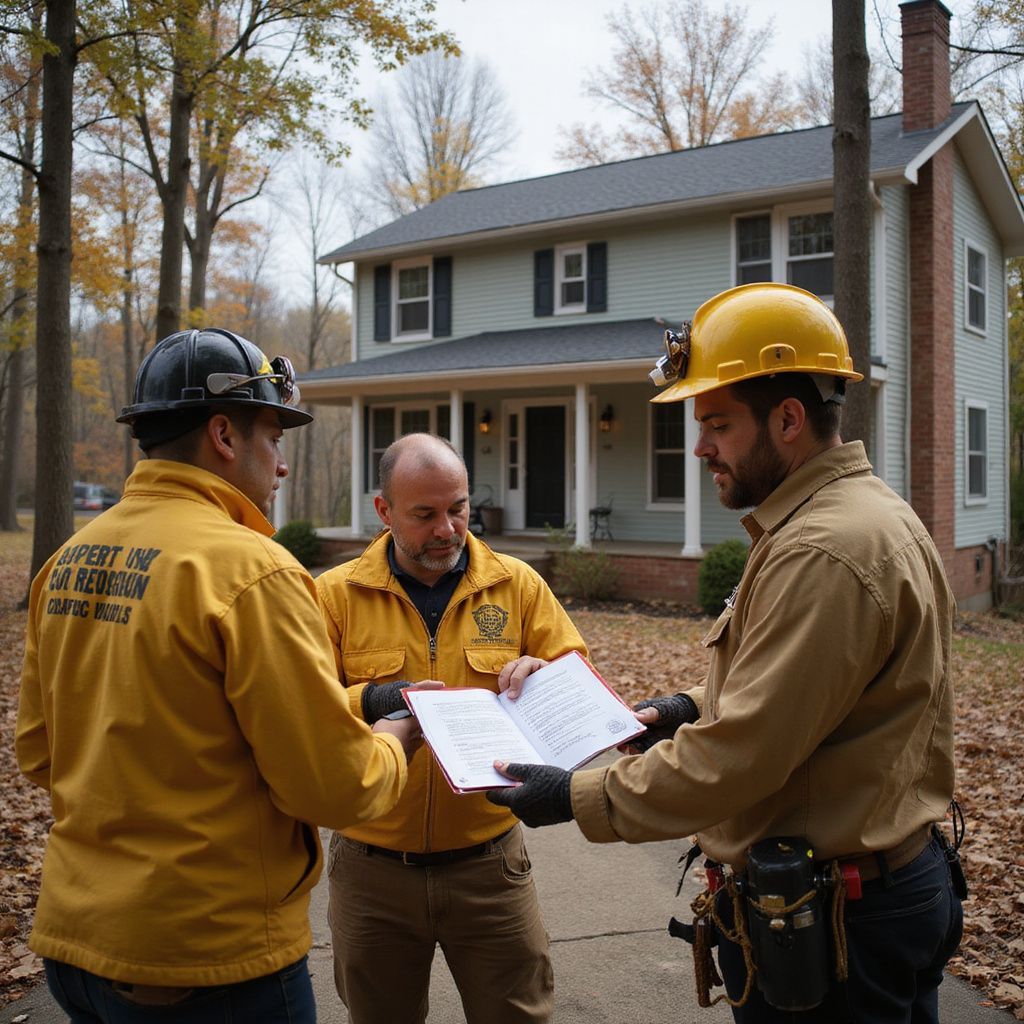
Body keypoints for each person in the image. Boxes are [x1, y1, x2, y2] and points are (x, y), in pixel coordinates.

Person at [488, 283, 964, 1024]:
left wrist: (573, 796)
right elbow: (804, 695)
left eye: (716, 423)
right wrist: (685, 710)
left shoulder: (824, 549)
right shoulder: (850, 519)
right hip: (866, 900)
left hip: (840, 924)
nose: (699, 445)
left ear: (788, 419)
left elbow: (745, 752)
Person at [16, 327, 420, 1023]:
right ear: (225, 435)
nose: (283, 465)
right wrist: (393, 741)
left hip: (74, 947)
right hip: (208, 961)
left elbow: (37, 751)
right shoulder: (252, 571)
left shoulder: (68, 560)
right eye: (276, 437)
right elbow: (332, 785)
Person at [315, 432, 587, 1024]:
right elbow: (300, 707)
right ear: (384, 511)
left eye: (459, 507)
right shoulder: (333, 597)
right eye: (425, 514)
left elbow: (579, 681)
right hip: (371, 870)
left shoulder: (516, 585)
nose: (447, 529)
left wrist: (543, 675)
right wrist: (375, 697)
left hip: (490, 866)